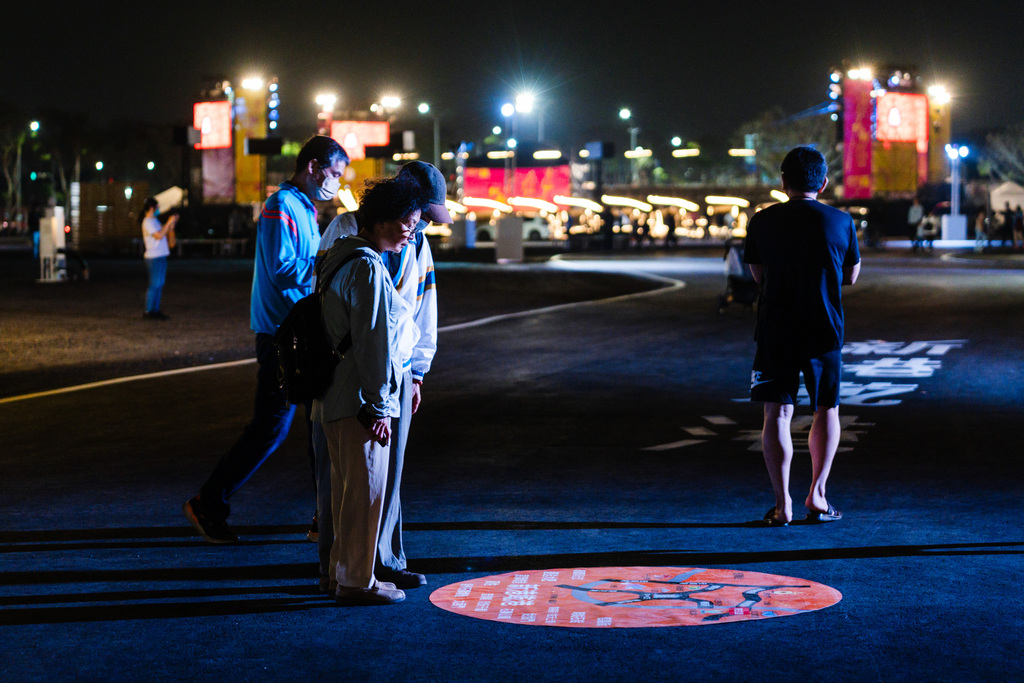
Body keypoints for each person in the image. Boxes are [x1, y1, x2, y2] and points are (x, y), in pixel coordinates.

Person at [183, 135, 349, 543]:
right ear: (312, 167)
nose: (336, 182)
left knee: (313, 425)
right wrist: (330, 263)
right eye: (334, 173)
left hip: (297, 334)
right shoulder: (282, 206)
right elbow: (282, 269)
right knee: (273, 428)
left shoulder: (303, 208)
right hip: (282, 336)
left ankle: (324, 515)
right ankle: (209, 502)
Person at [313, 161, 450, 592]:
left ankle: (368, 563)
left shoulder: (401, 243)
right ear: (391, 210)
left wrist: (417, 371)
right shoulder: (355, 247)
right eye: (413, 217)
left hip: (386, 372)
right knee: (358, 479)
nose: (419, 226)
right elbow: (372, 336)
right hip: (363, 380)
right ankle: (352, 573)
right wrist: (378, 402)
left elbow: (424, 306)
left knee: (375, 478)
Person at [742, 146, 861, 526]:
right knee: (826, 407)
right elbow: (851, 275)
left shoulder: (762, 221)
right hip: (824, 327)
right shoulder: (841, 221)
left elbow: (758, 275)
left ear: (783, 182)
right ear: (823, 183)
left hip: (776, 328)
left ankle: (782, 506)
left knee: (777, 412)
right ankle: (818, 495)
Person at [140, 197, 177, 320]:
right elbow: (159, 235)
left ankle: (155, 310)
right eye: (157, 207)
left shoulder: (154, 220)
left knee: (159, 284)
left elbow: (165, 234)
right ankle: (149, 311)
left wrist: (171, 225)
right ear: (152, 208)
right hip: (153, 257)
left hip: (161, 255)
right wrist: (168, 222)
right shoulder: (147, 222)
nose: (159, 209)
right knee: (155, 284)